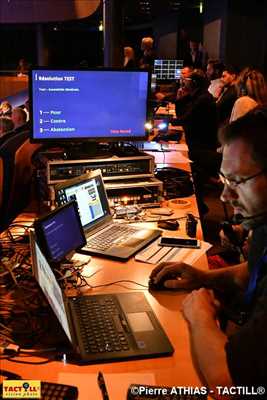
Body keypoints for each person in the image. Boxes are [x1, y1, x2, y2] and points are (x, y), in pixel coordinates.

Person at [150, 107, 267, 389]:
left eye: (237, 181)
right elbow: (255, 270)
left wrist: (200, 314)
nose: (225, 196)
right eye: (224, 180)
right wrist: (202, 278)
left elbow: (226, 381)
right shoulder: (262, 224)